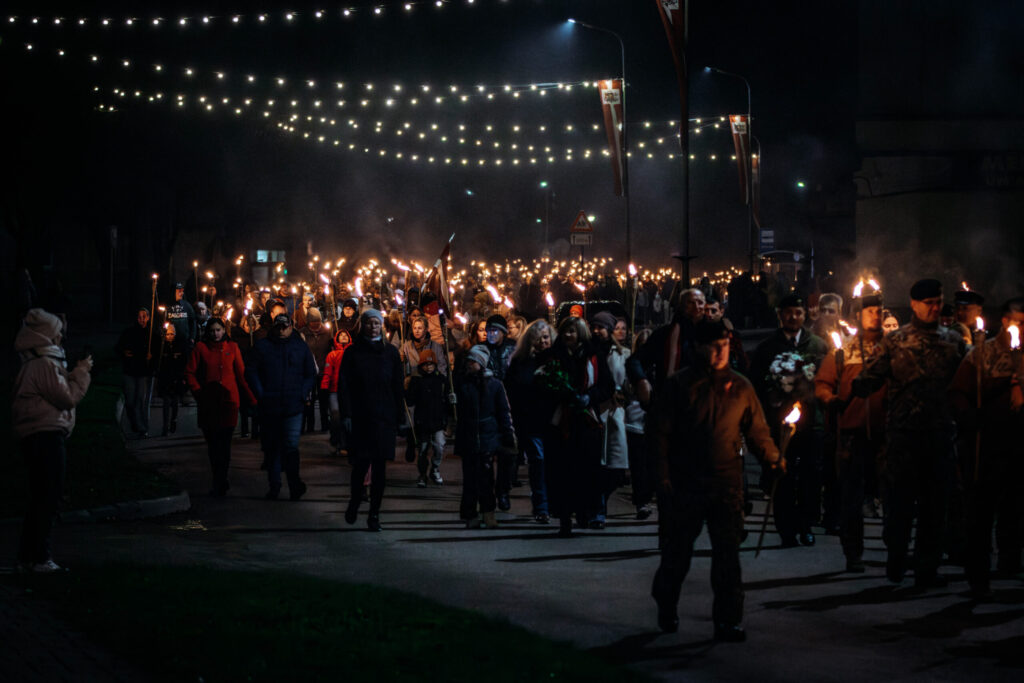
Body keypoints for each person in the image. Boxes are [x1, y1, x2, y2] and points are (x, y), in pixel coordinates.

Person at [651, 319, 784, 642]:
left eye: (725, 344)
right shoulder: (678, 386)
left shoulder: (740, 387)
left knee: (727, 557)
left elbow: (757, 430)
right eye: (714, 345)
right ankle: (666, 602)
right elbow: (659, 436)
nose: (721, 351)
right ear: (698, 347)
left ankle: (728, 620)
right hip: (686, 483)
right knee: (677, 555)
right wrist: (662, 475)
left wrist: (773, 458)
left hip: (727, 484)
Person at [852, 278, 966, 587]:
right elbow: (873, 375)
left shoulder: (954, 342)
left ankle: (927, 568)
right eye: (929, 302)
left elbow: (968, 383)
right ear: (914, 304)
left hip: (940, 434)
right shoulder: (896, 340)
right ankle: (897, 559)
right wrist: (861, 383)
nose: (934, 307)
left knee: (934, 506)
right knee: (900, 503)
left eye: (938, 301)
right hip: (904, 435)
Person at [948, 297, 1024, 597]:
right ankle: (977, 572)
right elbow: (957, 392)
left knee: (1015, 509)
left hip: (1020, 445)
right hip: (987, 443)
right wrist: (969, 415)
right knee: (981, 510)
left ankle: (1010, 562)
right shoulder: (983, 354)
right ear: (1005, 322)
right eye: (1020, 321)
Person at [13, 308, 92, 573]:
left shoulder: (39, 362)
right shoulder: (44, 364)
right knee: (47, 495)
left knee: (41, 496)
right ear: (47, 335)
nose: (61, 338)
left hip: (40, 433)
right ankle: (39, 557)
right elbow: (67, 397)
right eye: (57, 333)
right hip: (45, 434)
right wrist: (82, 372)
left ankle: (29, 556)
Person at [814, 294, 888, 572]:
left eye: (879, 311)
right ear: (859, 315)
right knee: (851, 498)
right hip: (851, 435)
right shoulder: (843, 352)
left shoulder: (893, 349)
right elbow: (823, 383)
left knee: (892, 493)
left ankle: (895, 547)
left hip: (886, 434)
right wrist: (829, 399)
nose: (875, 316)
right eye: (870, 311)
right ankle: (853, 552)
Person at [748, 294, 828, 547]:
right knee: (781, 476)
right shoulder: (767, 348)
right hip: (779, 424)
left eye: (798, 312)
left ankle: (806, 525)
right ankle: (786, 529)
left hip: (811, 424)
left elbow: (826, 380)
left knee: (810, 478)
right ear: (780, 315)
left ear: (805, 315)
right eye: (788, 312)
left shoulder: (817, 346)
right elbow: (756, 385)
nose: (793, 317)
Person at [539, 315, 613, 537]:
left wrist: (589, 397)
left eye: (572, 331)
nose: (568, 335)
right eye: (565, 331)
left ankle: (584, 511)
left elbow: (606, 386)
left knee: (585, 469)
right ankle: (563, 516)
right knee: (561, 470)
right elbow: (544, 384)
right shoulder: (553, 356)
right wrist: (560, 393)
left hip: (586, 420)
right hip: (561, 420)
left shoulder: (594, 356)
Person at [339, 309, 405, 531]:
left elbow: (397, 386)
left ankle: (374, 513)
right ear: (363, 326)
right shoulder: (353, 352)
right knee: (360, 466)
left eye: (376, 323)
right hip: (361, 416)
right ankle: (355, 501)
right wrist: (346, 413)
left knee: (380, 469)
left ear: (382, 326)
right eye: (369, 323)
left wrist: (400, 417)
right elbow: (344, 385)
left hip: (384, 417)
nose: (373, 327)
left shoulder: (391, 353)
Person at [245, 313, 318, 501]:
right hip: (270, 405)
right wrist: (260, 393)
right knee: (272, 447)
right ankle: (274, 485)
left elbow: (310, 373)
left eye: (285, 326)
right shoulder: (262, 346)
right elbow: (251, 371)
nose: (282, 330)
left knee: (291, 446)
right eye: (278, 327)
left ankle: (294, 485)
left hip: (293, 405)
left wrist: (303, 393)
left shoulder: (299, 346)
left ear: (291, 327)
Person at [590, 311, 651, 527]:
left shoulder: (623, 354)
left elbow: (629, 383)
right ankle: (598, 510)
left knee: (617, 467)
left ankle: (600, 500)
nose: (598, 331)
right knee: (597, 465)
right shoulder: (589, 352)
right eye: (595, 327)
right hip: (594, 411)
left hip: (616, 413)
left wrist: (627, 391)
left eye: (602, 327)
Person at [186, 317, 256, 497]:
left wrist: (253, 398)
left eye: (218, 330)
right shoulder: (201, 349)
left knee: (224, 444)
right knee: (213, 445)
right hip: (208, 403)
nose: (215, 334)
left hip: (229, 403)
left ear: (224, 331)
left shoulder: (232, 348)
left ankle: (221, 479)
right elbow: (190, 372)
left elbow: (241, 375)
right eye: (212, 331)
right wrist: (198, 391)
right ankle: (217, 477)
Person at [456, 345, 516, 528]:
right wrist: (450, 401)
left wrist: (507, 433)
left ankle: (488, 512)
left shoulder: (495, 385)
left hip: (488, 436)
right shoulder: (462, 384)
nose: (469, 364)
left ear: (481, 364)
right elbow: (457, 411)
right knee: (469, 479)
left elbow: (503, 411)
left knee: (486, 477)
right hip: (468, 436)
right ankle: (469, 514)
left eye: (472, 361)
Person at [506, 319, 556, 523]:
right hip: (530, 420)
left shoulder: (556, 360)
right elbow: (512, 389)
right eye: (539, 338)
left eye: (546, 337)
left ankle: (554, 503)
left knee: (553, 464)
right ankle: (541, 506)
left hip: (554, 419)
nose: (543, 341)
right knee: (538, 461)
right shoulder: (521, 362)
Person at [405, 349, 448, 487]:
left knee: (439, 446)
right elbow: (410, 401)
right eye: (425, 364)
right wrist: (406, 389)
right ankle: (422, 473)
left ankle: (435, 468)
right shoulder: (417, 381)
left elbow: (446, 400)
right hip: (422, 421)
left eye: (431, 364)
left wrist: (451, 400)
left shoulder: (441, 380)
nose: (428, 367)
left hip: (437, 421)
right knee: (423, 450)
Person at [114, 306, 156, 438]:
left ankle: (143, 427)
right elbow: (118, 348)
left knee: (141, 400)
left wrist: (151, 356)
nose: (142, 319)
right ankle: (135, 423)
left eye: (144, 317)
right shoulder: (128, 332)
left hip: (144, 372)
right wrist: (124, 353)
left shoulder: (151, 335)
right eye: (139, 317)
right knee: (130, 401)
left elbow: (158, 351)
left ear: (148, 318)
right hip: (130, 371)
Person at [299, 306, 333, 434]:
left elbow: (330, 349)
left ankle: (325, 424)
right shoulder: (302, 333)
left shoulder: (326, 332)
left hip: (323, 370)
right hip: (309, 370)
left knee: (324, 399)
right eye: (313, 323)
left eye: (317, 322)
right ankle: (310, 425)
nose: (316, 326)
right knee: (309, 400)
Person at [321, 328, 353, 455]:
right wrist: (324, 387)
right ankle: (335, 439)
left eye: (346, 335)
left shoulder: (352, 353)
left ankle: (346, 444)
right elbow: (327, 373)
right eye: (341, 335)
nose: (344, 337)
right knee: (336, 415)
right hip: (335, 390)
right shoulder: (332, 355)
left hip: (349, 390)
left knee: (348, 417)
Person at [155, 324, 187, 436]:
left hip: (176, 378)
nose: (169, 336)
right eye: (168, 334)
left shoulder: (180, 346)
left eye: (172, 334)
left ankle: (173, 419)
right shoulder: (162, 345)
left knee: (174, 402)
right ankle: (165, 425)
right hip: (165, 378)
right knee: (166, 402)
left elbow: (183, 362)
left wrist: (183, 378)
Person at [164, 282, 197, 351]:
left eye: (182, 291)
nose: (182, 293)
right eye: (179, 291)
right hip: (169, 343)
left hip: (185, 343)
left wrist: (192, 338)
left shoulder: (187, 305)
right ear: (173, 292)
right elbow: (160, 322)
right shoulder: (165, 306)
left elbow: (193, 321)